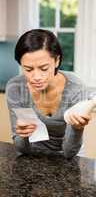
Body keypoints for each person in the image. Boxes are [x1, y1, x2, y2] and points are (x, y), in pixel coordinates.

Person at [6, 29, 91, 158]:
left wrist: (77, 129)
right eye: (28, 69)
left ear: (57, 60)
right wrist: (23, 136)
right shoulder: (15, 88)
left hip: (70, 156)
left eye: (44, 68)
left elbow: (69, 153)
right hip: (35, 155)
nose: (36, 77)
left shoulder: (76, 89)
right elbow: (22, 150)